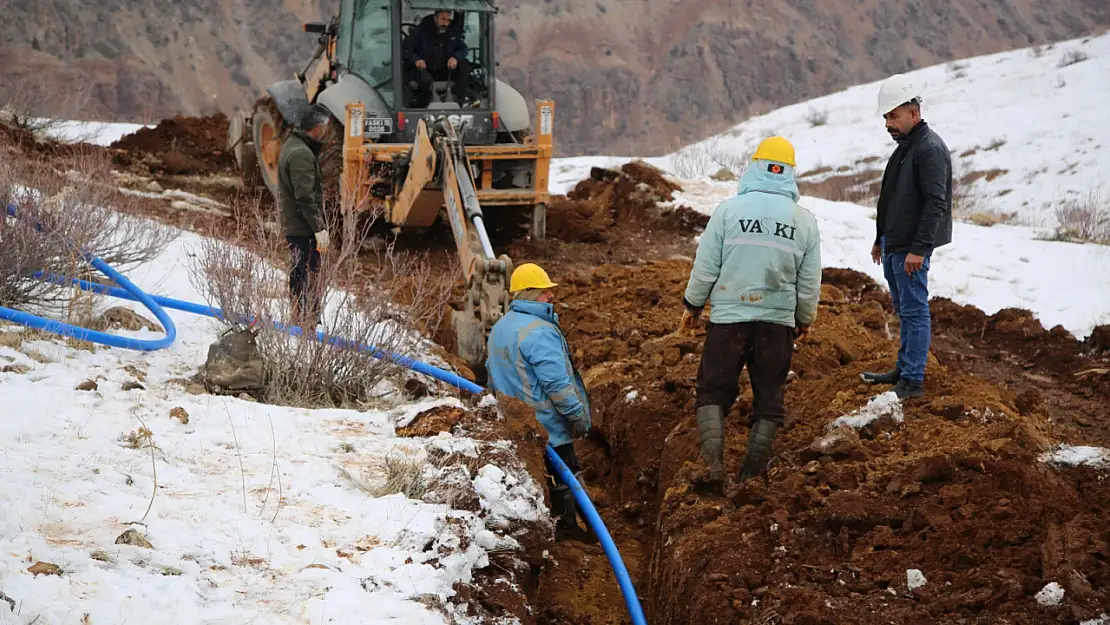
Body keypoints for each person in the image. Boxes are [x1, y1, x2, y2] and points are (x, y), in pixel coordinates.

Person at [681, 136, 822, 485]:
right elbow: (809, 282)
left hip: (729, 320)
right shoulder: (804, 222)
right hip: (776, 324)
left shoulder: (728, 211)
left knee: (712, 390)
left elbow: (706, 267)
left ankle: (713, 466)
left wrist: (693, 304)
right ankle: (750, 478)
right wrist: (804, 318)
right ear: (789, 172)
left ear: (754, 166)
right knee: (769, 399)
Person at [485, 263, 594, 541]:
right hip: (547, 426)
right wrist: (577, 416)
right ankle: (576, 529)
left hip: (515, 424)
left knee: (545, 478)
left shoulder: (500, 327)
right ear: (530, 293)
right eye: (546, 292)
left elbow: (490, 373)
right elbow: (557, 385)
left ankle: (558, 525)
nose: (551, 297)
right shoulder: (539, 331)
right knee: (567, 475)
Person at [862, 74, 953, 400]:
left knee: (915, 312)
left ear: (913, 113)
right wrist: (880, 238)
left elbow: (935, 203)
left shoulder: (928, 149)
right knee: (904, 310)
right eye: (886, 117)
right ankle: (903, 369)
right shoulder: (906, 148)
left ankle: (912, 380)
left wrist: (920, 248)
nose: (888, 123)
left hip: (911, 249)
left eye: (894, 115)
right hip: (894, 244)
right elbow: (891, 198)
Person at [277, 103, 331, 326]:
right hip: (303, 227)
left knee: (301, 272)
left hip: (297, 225)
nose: (326, 132)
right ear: (317, 129)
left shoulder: (294, 146)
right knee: (306, 274)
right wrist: (318, 228)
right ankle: (305, 322)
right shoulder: (301, 154)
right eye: (325, 127)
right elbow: (305, 197)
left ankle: (302, 319)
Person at [403, 11, 477, 107]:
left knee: (464, 66)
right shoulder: (420, 32)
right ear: (435, 18)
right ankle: (421, 104)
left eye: (448, 20)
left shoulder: (451, 33)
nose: (445, 23)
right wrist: (416, 59)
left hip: (445, 68)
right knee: (418, 78)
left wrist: (455, 57)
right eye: (443, 19)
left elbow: (463, 48)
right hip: (425, 68)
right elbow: (407, 49)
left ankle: (461, 101)